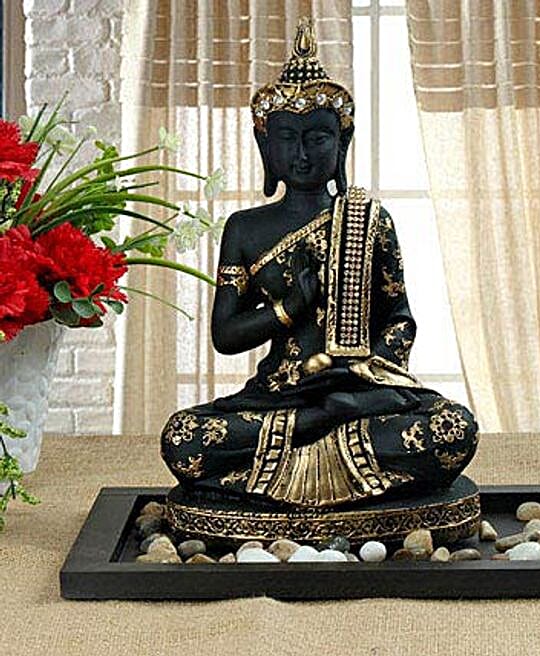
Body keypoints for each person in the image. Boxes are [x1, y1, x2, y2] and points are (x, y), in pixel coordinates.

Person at [160, 18, 479, 508]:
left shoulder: (369, 220)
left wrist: (364, 374)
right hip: (280, 396)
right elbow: (226, 335)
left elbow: (399, 319)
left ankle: (318, 429)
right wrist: (289, 308)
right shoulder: (245, 229)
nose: (303, 154)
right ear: (266, 146)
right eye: (288, 139)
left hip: (360, 395)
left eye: (318, 139)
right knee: (184, 438)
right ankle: (319, 422)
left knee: (453, 428)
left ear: (341, 143)